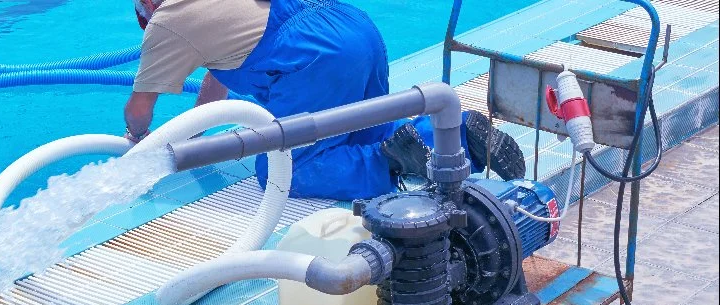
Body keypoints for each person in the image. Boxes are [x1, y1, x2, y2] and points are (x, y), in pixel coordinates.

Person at [125, 0, 525, 200]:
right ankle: (455, 137)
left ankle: (389, 162)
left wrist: (137, 138)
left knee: (283, 168)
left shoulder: (168, 21)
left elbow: (140, 109)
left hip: (311, 56)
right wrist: (198, 131)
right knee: (361, 128)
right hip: (352, 26)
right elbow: (217, 70)